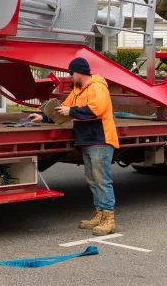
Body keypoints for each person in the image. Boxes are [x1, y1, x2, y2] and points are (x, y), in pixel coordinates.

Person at [30, 56, 119, 235]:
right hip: (87, 141)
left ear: (78, 72)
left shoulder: (97, 87)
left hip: (100, 140)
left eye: (71, 73)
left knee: (102, 181)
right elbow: (63, 108)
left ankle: (109, 220)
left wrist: (71, 111)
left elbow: (97, 110)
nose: (70, 77)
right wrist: (44, 117)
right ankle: (99, 214)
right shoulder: (78, 90)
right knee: (93, 180)